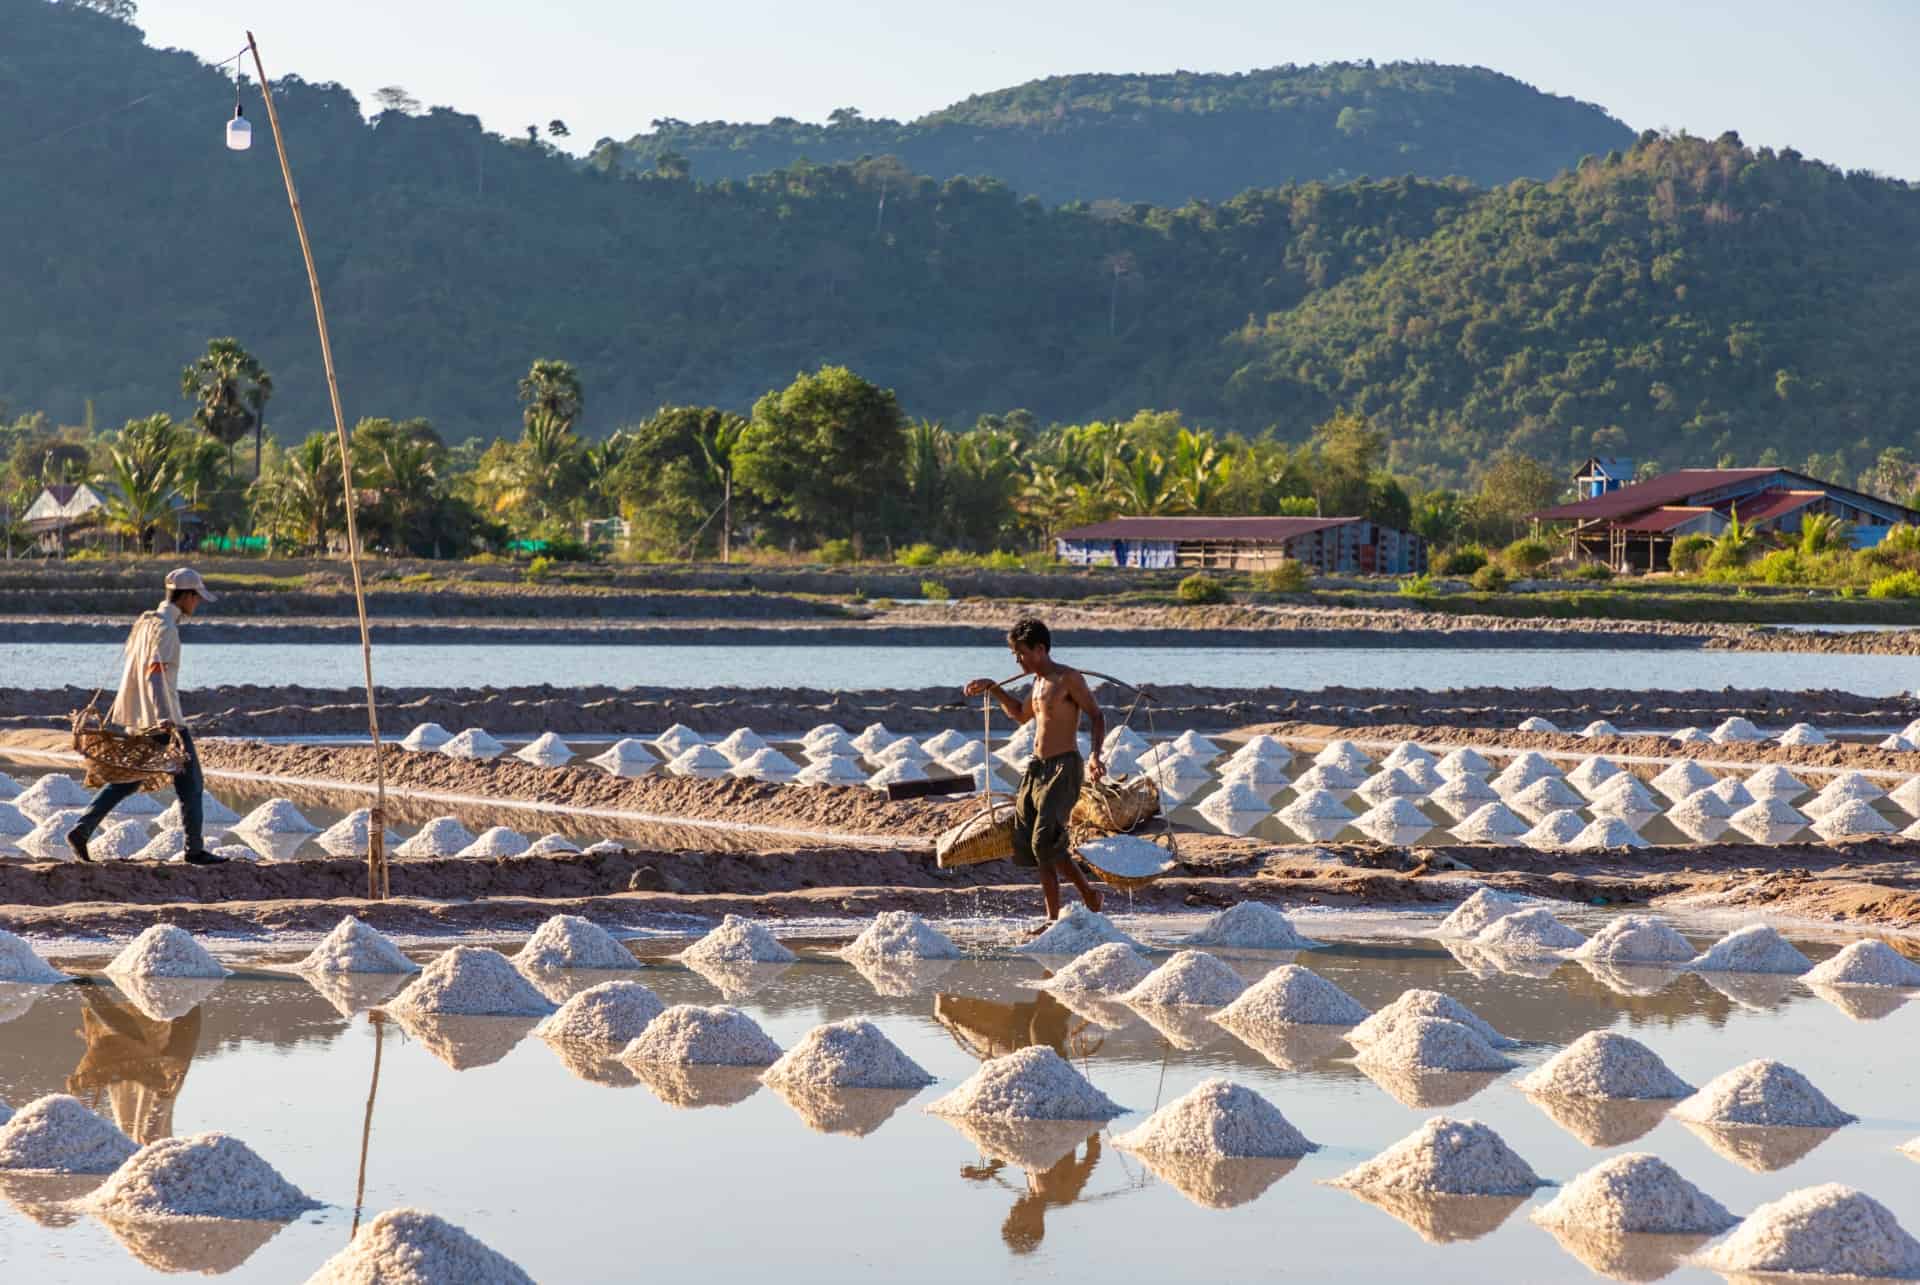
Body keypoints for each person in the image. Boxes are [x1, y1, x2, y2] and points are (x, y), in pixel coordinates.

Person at [67, 567, 225, 865]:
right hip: (164, 719)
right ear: (187, 596)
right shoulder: (166, 629)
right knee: (192, 783)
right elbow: (155, 674)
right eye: (197, 598)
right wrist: (165, 719)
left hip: (140, 717)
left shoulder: (147, 621)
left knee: (129, 780)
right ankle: (194, 850)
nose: (199, 604)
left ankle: (81, 829)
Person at [964, 617, 1106, 921]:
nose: (1018, 660)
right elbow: (1019, 714)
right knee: (1031, 840)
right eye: (1015, 655)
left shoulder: (1068, 679)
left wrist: (1095, 756)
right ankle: (1053, 918)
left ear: (1040, 649)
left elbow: (1097, 715)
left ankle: (1087, 895)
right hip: (1036, 769)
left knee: (1045, 840)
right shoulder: (1038, 683)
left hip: (1063, 768)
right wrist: (993, 688)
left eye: (1022, 653)